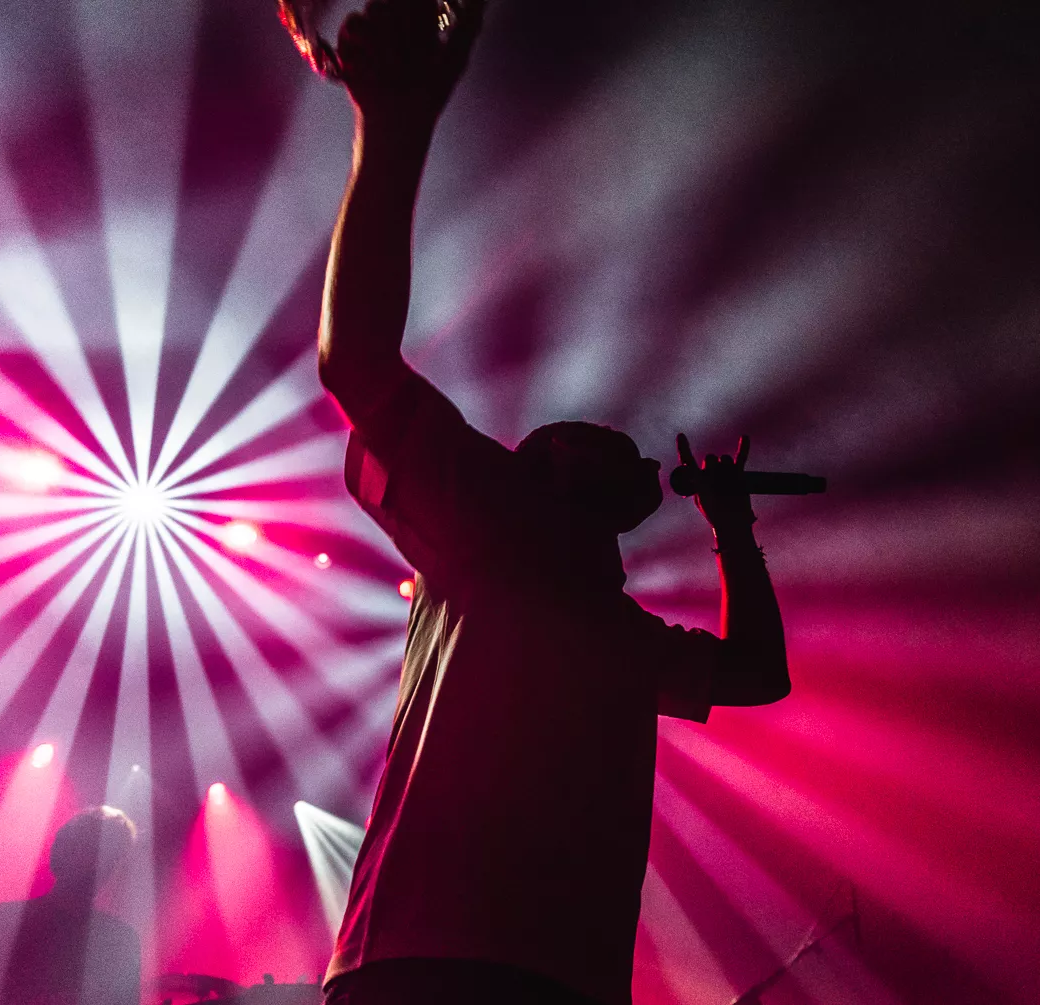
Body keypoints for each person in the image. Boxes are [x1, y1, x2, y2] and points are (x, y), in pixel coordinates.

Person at [316, 2, 790, 1002]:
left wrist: (734, 532)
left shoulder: (619, 634)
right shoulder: (486, 519)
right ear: (536, 468)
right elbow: (353, 357)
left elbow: (756, 673)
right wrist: (389, 137)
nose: (625, 441)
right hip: (428, 959)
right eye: (588, 436)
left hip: (555, 975)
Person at [0, 805, 140, 1005]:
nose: (102, 864)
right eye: (94, 849)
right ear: (64, 850)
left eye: (113, 855)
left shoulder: (122, 940)